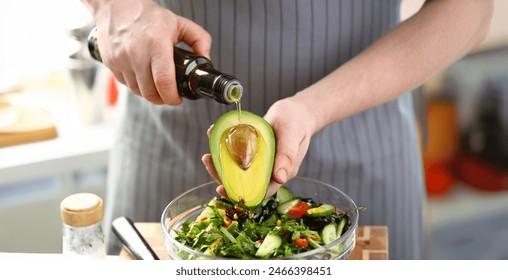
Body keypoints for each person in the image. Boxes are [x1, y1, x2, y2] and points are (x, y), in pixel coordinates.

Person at [80, 0, 493, 259]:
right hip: (170, 147)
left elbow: (470, 10)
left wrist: (315, 107)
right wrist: (116, 8)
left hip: (363, 144)